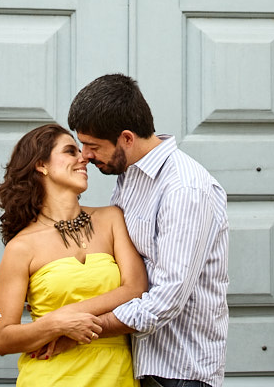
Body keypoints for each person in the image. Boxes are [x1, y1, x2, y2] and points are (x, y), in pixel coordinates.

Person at [66, 74, 229, 387]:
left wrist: (78, 331)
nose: (85, 155)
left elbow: (167, 299)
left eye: (93, 146)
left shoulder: (185, 188)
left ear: (127, 138)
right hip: (139, 365)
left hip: (180, 373)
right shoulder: (129, 175)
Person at [0, 122, 148, 386]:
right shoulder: (21, 247)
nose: (83, 158)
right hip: (50, 377)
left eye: (81, 151)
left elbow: (135, 288)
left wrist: (70, 316)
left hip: (115, 374)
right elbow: (2, 338)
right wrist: (55, 326)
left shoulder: (111, 218)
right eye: (70, 151)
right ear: (41, 165)